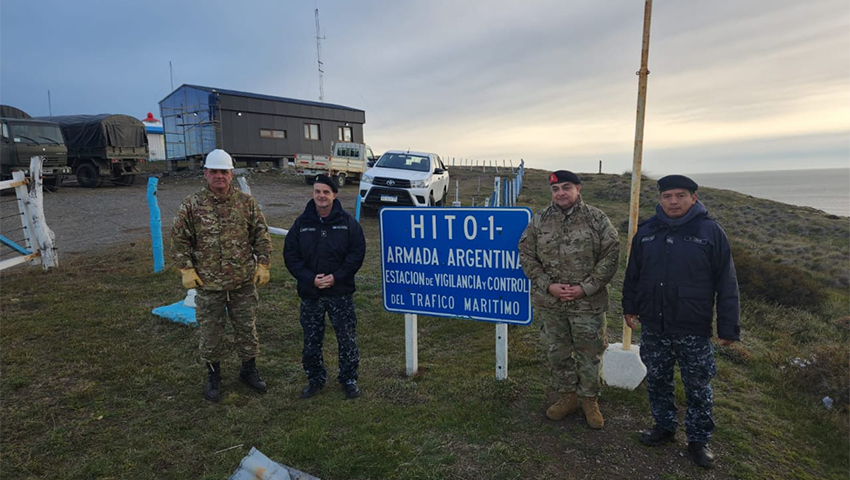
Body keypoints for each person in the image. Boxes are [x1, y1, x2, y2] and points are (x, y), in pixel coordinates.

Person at [622, 174, 740, 469]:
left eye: (680, 196)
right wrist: (630, 308)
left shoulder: (711, 232)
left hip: (693, 327)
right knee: (658, 379)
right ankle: (664, 427)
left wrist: (727, 327)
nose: (673, 201)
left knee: (697, 385)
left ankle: (699, 440)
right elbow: (633, 274)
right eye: (667, 196)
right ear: (660, 199)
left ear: (693, 198)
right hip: (654, 325)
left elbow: (727, 283)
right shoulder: (647, 232)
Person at [518, 170, 620, 429]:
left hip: (588, 304)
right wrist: (548, 285)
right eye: (555, 189)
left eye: (566, 187)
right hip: (551, 304)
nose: (560, 193)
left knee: (590, 354)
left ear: (578, 189)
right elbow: (526, 254)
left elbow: (611, 255)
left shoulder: (597, 219)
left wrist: (585, 288)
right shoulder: (539, 220)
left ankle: (589, 400)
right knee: (558, 351)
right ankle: (567, 397)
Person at [171, 149, 272, 402]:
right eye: (213, 171)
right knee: (211, 332)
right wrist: (186, 269)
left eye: (223, 172)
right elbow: (179, 239)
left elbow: (261, 234)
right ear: (205, 173)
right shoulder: (192, 204)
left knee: (246, 328)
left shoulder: (246, 202)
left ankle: (248, 370)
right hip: (208, 283)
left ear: (231, 174)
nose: (219, 176)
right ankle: (213, 375)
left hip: (242, 282)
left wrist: (263, 264)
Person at [283, 174, 366, 400]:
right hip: (311, 293)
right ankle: (315, 379)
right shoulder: (301, 224)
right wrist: (310, 278)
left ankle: (348, 378)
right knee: (311, 339)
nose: (321, 196)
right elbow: (290, 255)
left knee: (346, 337)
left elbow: (356, 253)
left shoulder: (347, 223)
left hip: (340, 292)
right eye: (318, 191)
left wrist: (336, 277)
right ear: (313, 194)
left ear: (334, 195)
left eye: (326, 192)